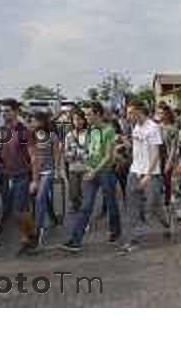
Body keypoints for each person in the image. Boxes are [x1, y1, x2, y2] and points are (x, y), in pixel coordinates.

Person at [62, 102, 120, 251]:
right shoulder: (90, 131)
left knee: (111, 203)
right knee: (85, 206)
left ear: (98, 114)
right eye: (85, 114)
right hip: (91, 172)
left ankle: (115, 231)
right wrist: (88, 168)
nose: (86, 117)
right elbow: (87, 152)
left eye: (89, 114)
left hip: (105, 172)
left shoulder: (109, 130)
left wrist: (95, 171)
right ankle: (76, 240)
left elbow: (108, 155)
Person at [118, 100, 170, 254]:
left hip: (151, 174)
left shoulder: (153, 128)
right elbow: (136, 149)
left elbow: (155, 154)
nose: (127, 116)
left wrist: (148, 175)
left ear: (138, 112)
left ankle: (166, 223)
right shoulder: (135, 127)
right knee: (132, 207)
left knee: (153, 206)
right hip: (135, 171)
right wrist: (123, 144)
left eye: (130, 113)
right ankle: (133, 240)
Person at [0, 99, 34, 245]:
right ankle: (27, 233)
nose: (4, 114)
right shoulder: (3, 129)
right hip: (6, 175)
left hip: (23, 174)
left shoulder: (24, 130)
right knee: (15, 211)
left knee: (19, 210)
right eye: (2, 111)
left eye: (7, 111)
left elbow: (34, 156)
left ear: (16, 112)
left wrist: (35, 180)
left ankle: (30, 233)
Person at [26, 111, 61, 251]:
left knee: (39, 199)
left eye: (34, 120)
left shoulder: (52, 136)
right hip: (34, 172)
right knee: (42, 197)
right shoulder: (30, 136)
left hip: (47, 172)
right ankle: (52, 217)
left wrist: (57, 171)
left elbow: (56, 154)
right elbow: (32, 158)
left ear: (41, 122)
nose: (32, 123)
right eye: (31, 121)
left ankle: (36, 232)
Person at [63, 108, 88, 213]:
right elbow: (66, 151)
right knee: (74, 191)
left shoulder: (89, 134)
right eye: (75, 119)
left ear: (84, 120)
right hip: (73, 167)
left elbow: (93, 150)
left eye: (80, 119)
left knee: (85, 192)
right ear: (72, 121)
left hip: (86, 168)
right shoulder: (69, 135)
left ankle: (84, 212)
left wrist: (83, 155)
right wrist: (72, 155)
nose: (78, 121)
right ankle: (75, 206)